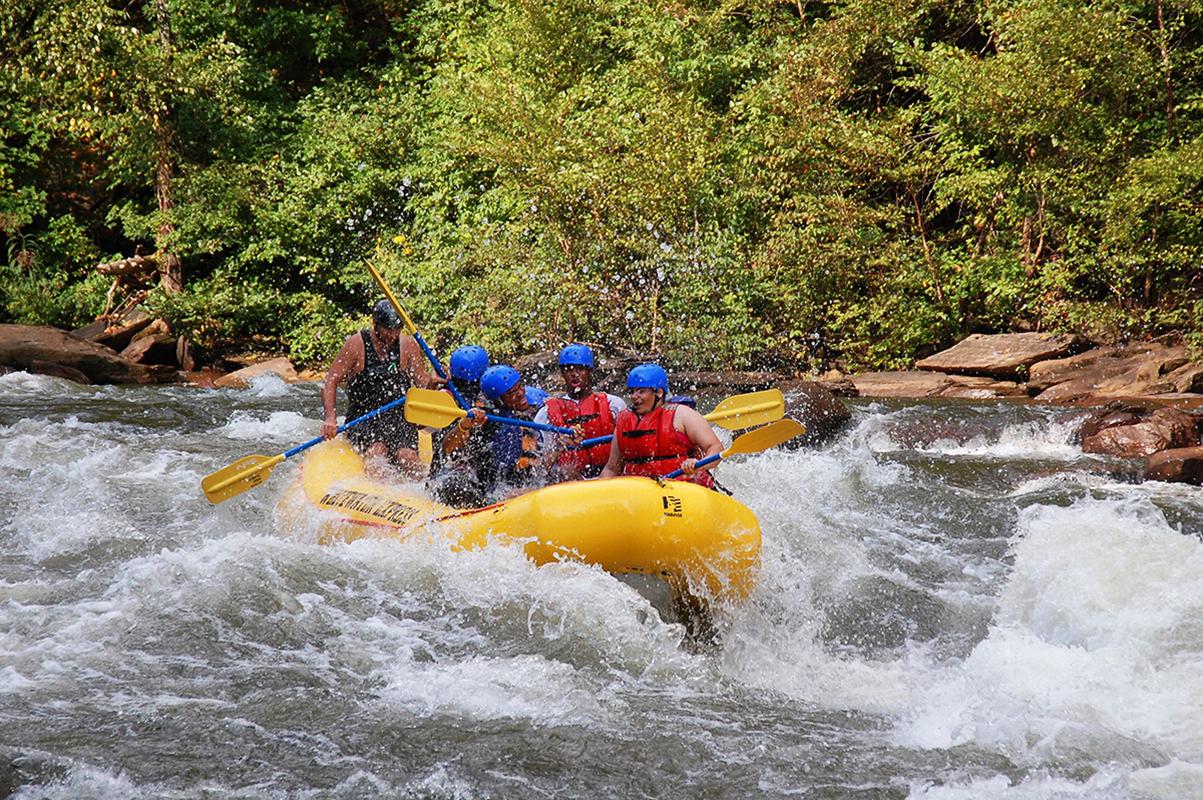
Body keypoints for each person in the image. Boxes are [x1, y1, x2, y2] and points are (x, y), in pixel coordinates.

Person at [321, 299, 437, 476]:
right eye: (388, 329)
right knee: (378, 452)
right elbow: (331, 380)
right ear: (376, 324)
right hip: (364, 416)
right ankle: (379, 496)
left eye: (396, 329)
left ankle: (425, 494)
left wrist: (435, 381)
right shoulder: (357, 344)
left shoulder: (407, 345)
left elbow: (423, 384)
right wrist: (330, 417)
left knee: (408, 458)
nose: (392, 334)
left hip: (398, 416)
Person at [600, 363, 722, 489]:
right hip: (642, 493)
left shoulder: (682, 414)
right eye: (632, 391)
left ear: (658, 392)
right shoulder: (624, 421)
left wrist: (699, 464)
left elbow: (716, 447)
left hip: (684, 489)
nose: (634, 397)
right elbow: (612, 469)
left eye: (641, 391)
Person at [439, 363, 545, 503]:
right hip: (486, 489)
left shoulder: (529, 419)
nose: (520, 393)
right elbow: (447, 448)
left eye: (520, 386)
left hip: (513, 487)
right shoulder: (485, 420)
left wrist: (564, 442)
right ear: (499, 399)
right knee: (452, 484)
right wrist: (464, 426)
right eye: (512, 392)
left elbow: (540, 467)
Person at [534, 343, 627, 480]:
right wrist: (559, 446)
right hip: (571, 481)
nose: (574, 374)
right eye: (568, 370)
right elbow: (540, 470)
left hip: (609, 477)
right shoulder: (545, 414)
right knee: (567, 471)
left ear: (589, 371)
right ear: (562, 373)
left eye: (580, 369)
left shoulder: (614, 404)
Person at [427, 344, 494, 506]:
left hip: (479, 475)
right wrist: (432, 386)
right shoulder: (446, 397)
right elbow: (424, 426)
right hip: (446, 476)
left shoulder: (488, 398)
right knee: (457, 486)